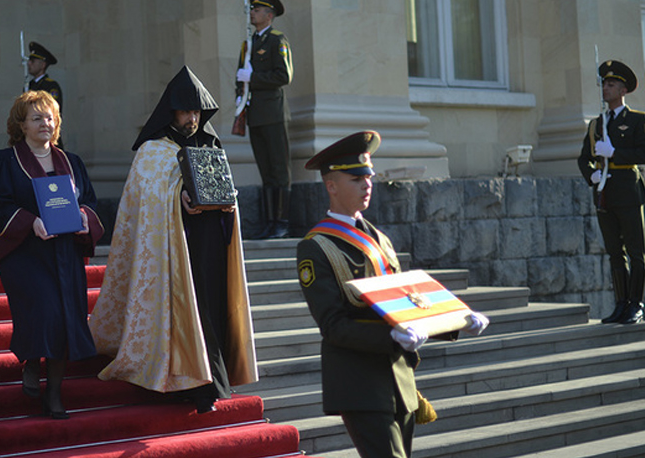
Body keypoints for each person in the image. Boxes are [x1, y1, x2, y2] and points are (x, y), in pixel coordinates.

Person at [296, 131, 488, 458]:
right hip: (359, 381)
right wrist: (392, 337)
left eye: (368, 177)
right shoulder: (315, 247)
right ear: (331, 186)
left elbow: (407, 304)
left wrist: (456, 320)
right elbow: (334, 326)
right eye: (356, 178)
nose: (367, 184)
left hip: (400, 379)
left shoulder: (378, 239)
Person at [89, 66, 258, 414]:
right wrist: (177, 199)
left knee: (209, 309)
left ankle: (210, 379)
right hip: (171, 250)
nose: (192, 118)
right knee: (184, 312)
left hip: (208, 246)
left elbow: (223, 188)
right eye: (186, 110)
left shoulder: (210, 143)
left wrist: (229, 204)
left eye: (197, 111)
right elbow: (148, 197)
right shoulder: (152, 152)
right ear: (172, 111)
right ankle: (193, 386)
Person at [0, 91, 104, 419]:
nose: (45, 124)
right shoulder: (5, 162)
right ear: (21, 125)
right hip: (26, 253)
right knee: (44, 310)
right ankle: (33, 362)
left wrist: (84, 219)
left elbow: (89, 201)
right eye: (37, 118)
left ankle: (54, 394)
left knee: (65, 318)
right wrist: (30, 221)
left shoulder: (72, 162)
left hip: (65, 252)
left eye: (50, 117)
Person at [578, 59, 645, 325]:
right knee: (614, 252)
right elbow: (583, 158)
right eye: (604, 84)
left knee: (637, 251)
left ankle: (636, 303)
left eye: (611, 84)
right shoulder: (596, 124)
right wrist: (592, 175)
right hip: (605, 192)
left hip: (629, 191)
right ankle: (621, 303)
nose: (605, 88)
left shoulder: (638, 120)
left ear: (623, 90)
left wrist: (616, 153)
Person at [235, 0, 293, 239]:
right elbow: (240, 79)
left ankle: (281, 222)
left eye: (257, 10)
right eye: (251, 9)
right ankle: (269, 222)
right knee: (266, 171)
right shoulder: (249, 44)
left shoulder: (277, 40)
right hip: (256, 115)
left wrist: (254, 77)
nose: (252, 13)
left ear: (269, 15)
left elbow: (284, 75)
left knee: (278, 170)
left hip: (273, 114)